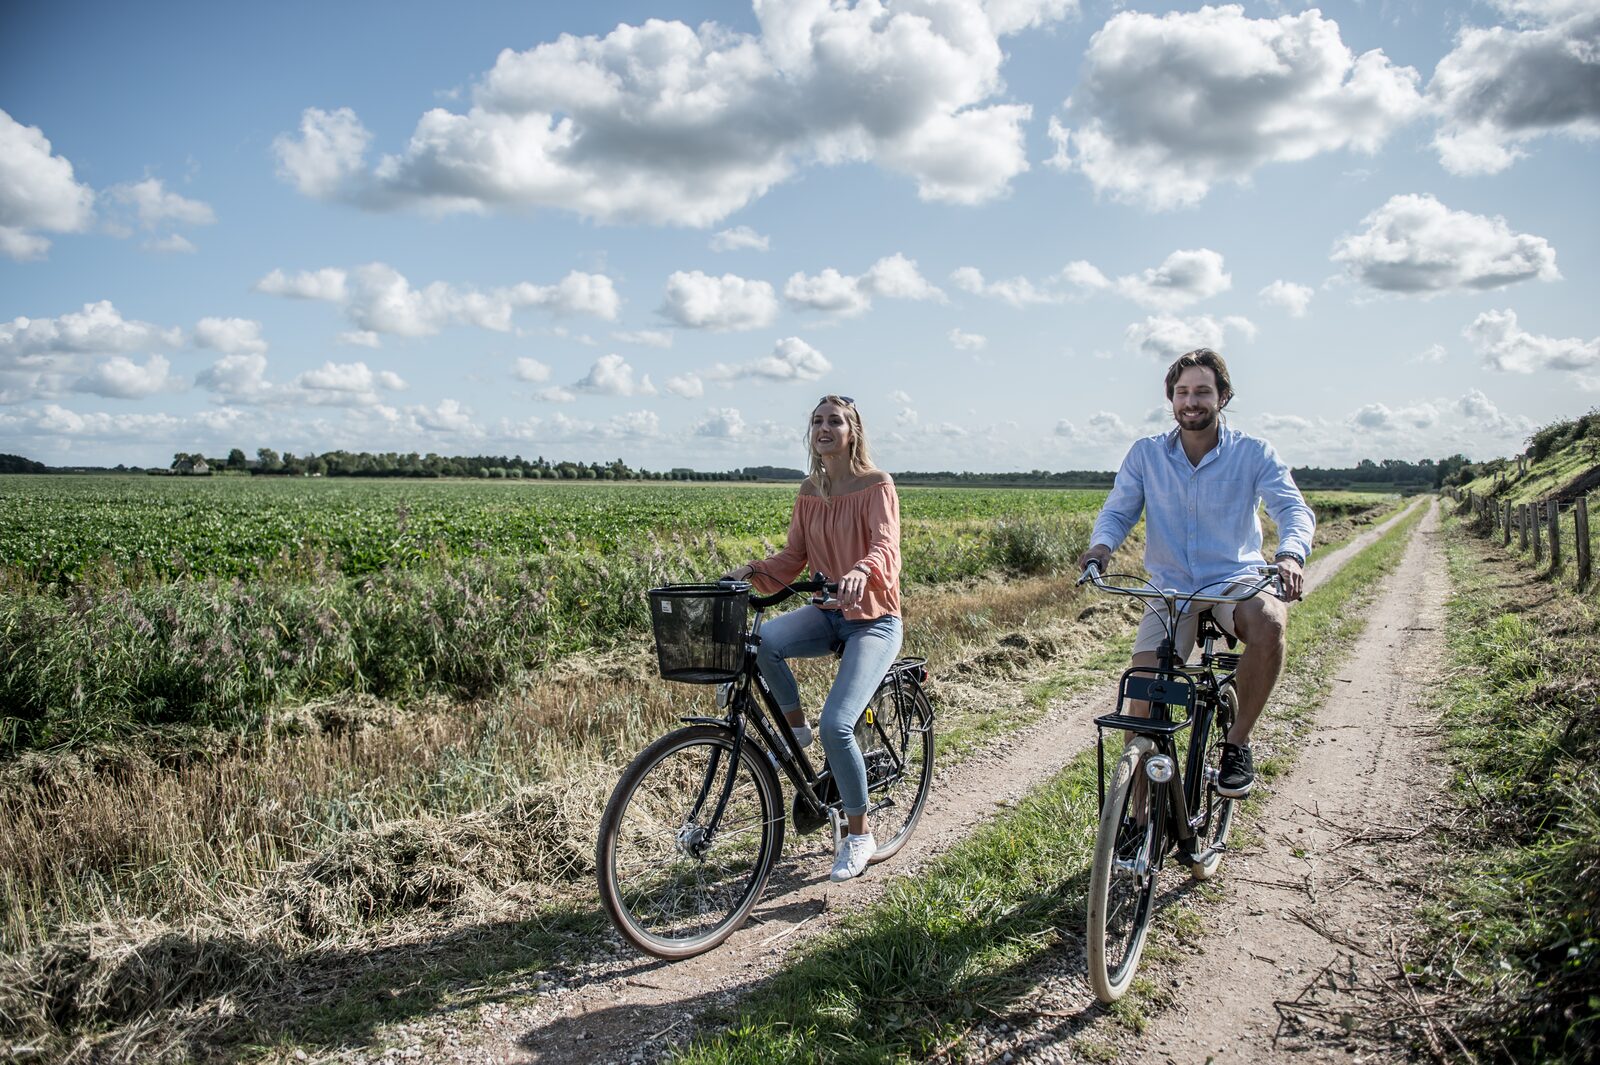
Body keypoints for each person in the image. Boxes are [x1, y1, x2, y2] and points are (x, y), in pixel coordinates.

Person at [1078, 348, 1315, 797]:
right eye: (1182, 392)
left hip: (1234, 581)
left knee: (1270, 622)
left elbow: (1292, 509)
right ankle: (1136, 823)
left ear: (1222, 396)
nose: (1191, 401)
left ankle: (1237, 743)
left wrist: (1290, 555)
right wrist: (1100, 548)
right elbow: (1118, 510)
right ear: (1171, 399)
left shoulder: (1253, 452)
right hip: (1170, 590)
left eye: (1202, 391)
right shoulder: (1146, 454)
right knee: (1141, 707)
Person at [723, 395, 902, 882]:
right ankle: (794, 727)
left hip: (873, 619)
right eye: (817, 420)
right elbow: (793, 559)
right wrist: (753, 570)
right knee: (761, 643)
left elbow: (886, 546)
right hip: (827, 613)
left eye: (835, 421)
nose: (824, 427)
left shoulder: (876, 485)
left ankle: (859, 833)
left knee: (838, 725)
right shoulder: (810, 490)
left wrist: (864, 571)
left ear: (853, 431)